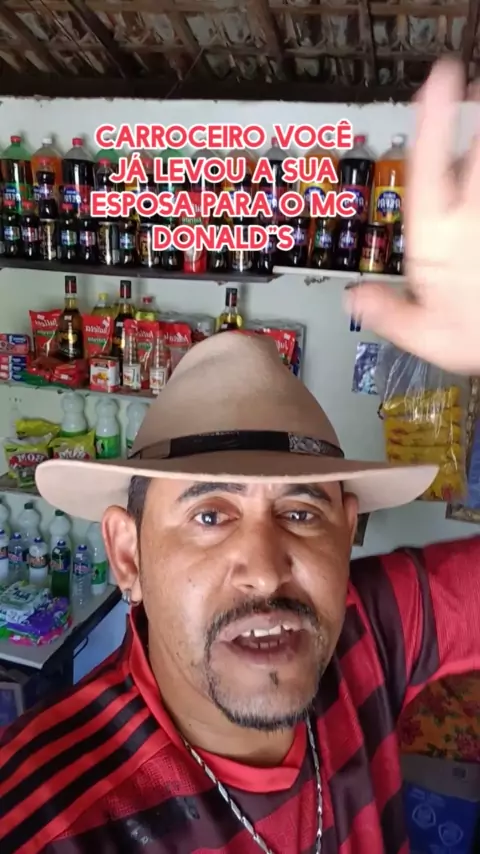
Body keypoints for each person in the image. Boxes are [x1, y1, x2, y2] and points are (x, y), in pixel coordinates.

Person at [1, 59, 480, 854]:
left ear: (347, 530)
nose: (263, 571)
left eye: (301, 512)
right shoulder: (51, 820)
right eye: (209, 514)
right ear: (128, 554)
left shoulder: (368, 630)